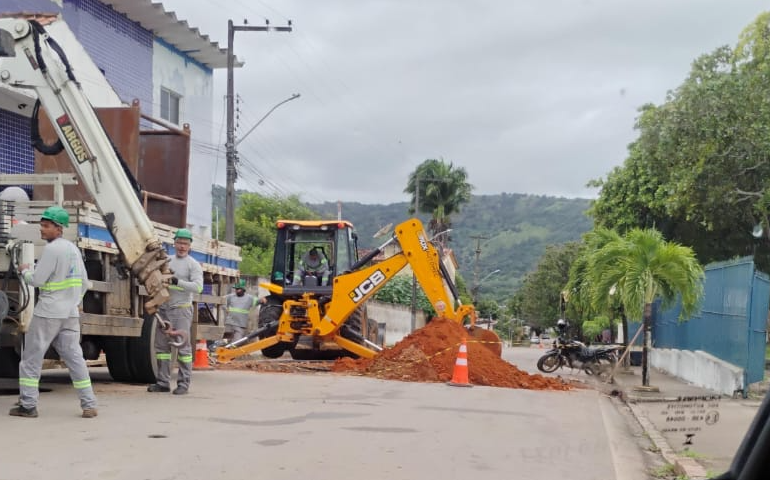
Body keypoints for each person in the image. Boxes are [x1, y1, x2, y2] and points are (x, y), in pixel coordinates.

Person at [11, 205, 97, 418]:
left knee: (31, 357)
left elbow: (38, 280)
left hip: (49, 312)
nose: (42, 229)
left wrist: (25, 271)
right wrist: (74, 301)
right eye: (42, 225)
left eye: (46, 226)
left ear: (59, 229)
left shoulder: (52, 249)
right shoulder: (74, 250)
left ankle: (28, 405)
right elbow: (85, 283)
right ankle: (89, 404)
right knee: (74, 357)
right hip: (70, 313)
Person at [147, 228, 203, 395]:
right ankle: (163, 382)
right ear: (174, 243)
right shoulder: (167, 261)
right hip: (164, 308)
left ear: (190, 246)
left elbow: (198, 287)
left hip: (181, 310)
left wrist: (178, 281)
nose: (182, 246)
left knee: (183, 348)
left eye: (185, 244)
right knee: (162, 347)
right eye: (179, 243)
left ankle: (183, 384)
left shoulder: (193, 265)